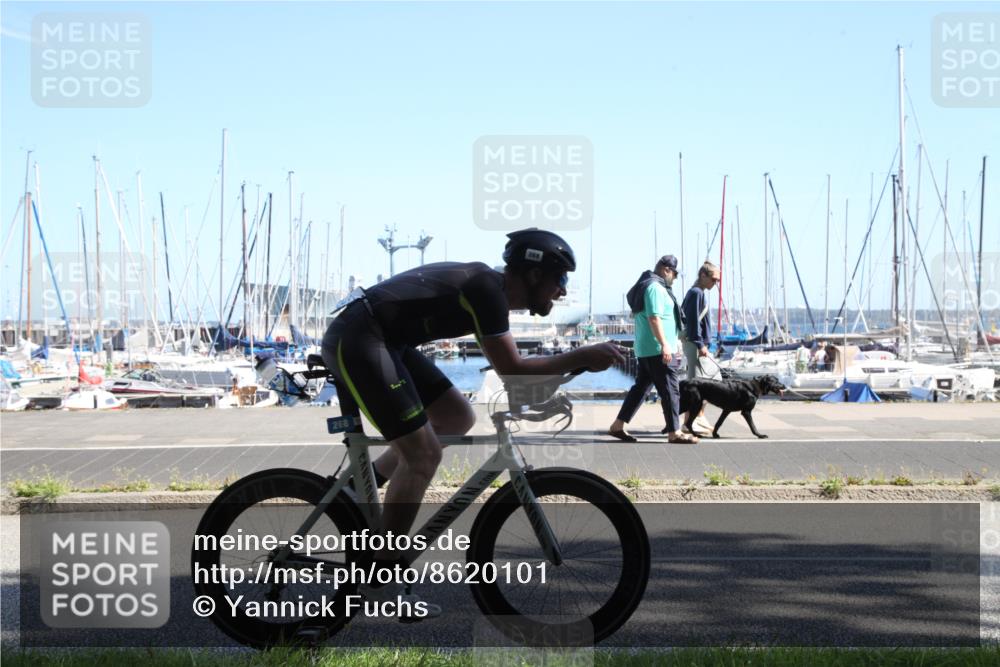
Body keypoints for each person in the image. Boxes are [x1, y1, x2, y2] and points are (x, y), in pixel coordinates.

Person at [320, 228, 624, 615]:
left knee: (456, 415)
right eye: (559, 279)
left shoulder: (490, 293)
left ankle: (354, 491)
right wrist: (580, 355)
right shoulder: (486, 290)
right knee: (423, 455)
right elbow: (512, 368)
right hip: (359, 338)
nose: (562, 291)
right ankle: (380, 576)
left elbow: (513, 374)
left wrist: (558, 376)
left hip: (384, 340)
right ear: (533, 274)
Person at [608, 255, 696, 444]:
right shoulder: (655, 288)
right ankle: (675, 432)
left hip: (648, 348)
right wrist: (665, 344)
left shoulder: (649, 286)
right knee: (671, 390)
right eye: (674, 273)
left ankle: (617, 425)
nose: (675, 278)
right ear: (666, 270)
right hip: (658, 350)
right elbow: (654, 318)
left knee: (640, 389)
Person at [681, 261, 721, 436]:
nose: (716, 283)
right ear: (703, 276)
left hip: (697, 345)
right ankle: (691, 421)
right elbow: (693, 322)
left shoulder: (698, 293)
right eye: (714, 279)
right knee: (702, 384)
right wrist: (700, 344)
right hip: (696, 346)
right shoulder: (696, 293)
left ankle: (696, 418)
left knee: (703, 383)